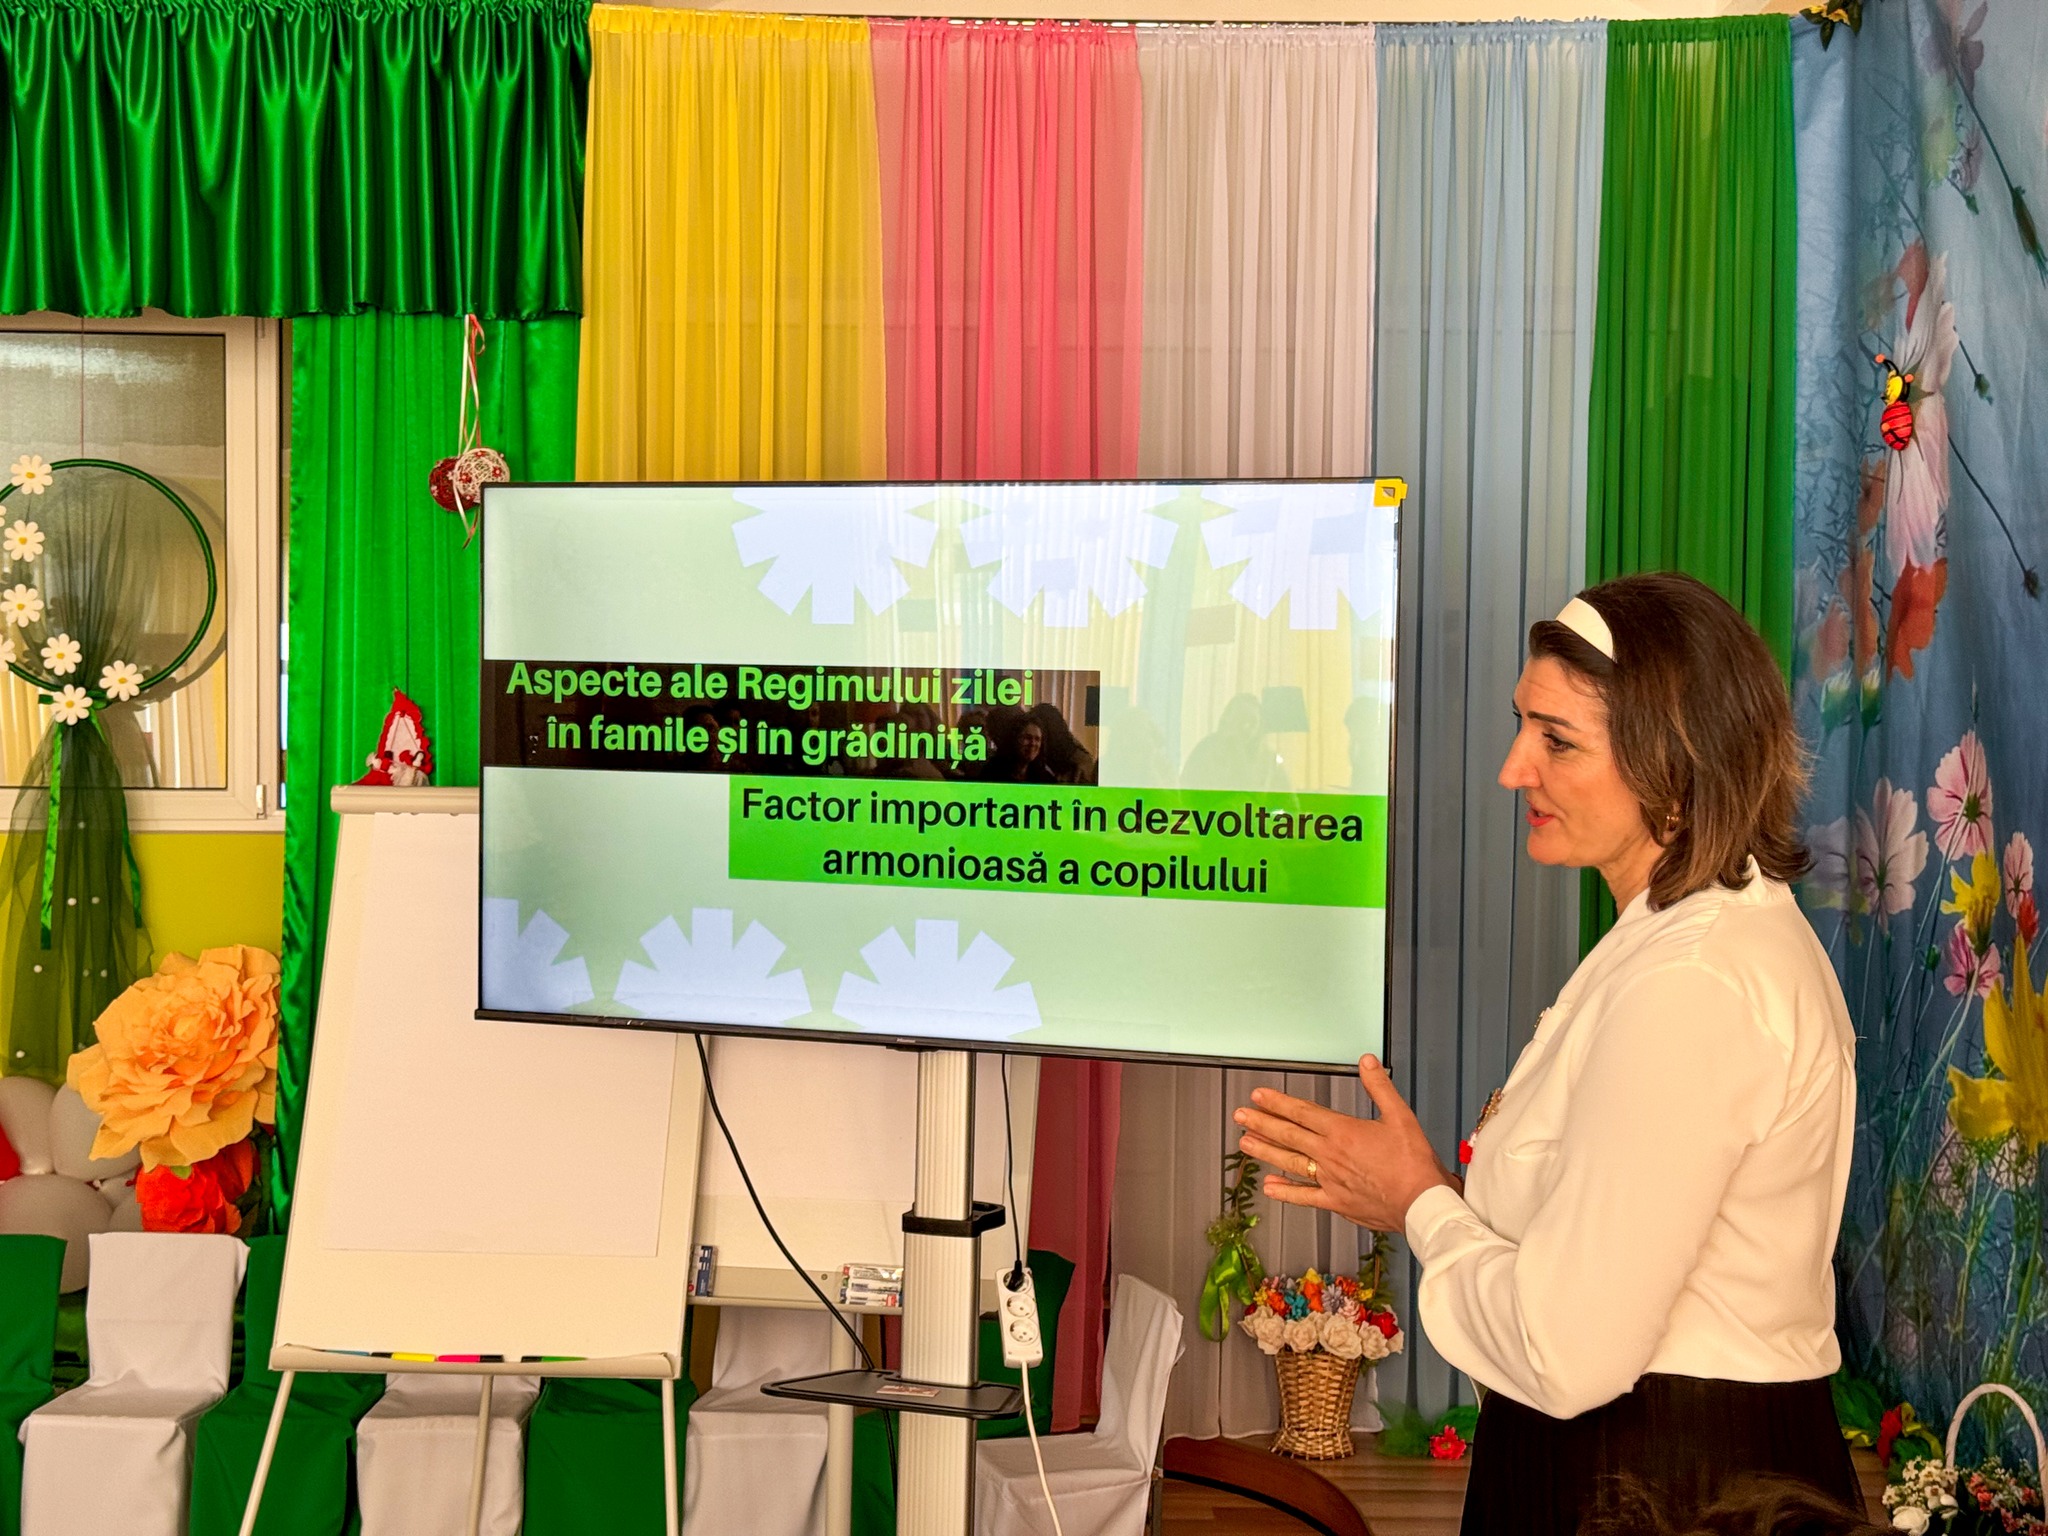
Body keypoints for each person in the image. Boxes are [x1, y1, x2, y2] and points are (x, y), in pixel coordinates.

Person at [1233, 573, 1861, 1535]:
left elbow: (1567, 1348)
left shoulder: (1693, 981)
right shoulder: (1678, 941)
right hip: (1656, 1464)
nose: (1513, 768)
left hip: (1668, 1488)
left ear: (1674, 758)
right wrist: (1420, 1193)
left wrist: (1422, 1204)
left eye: (1557, 739)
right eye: (1522, 726)